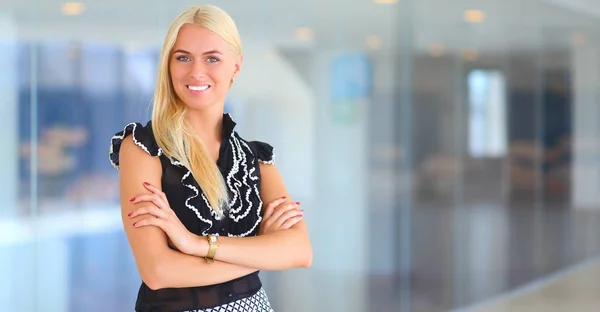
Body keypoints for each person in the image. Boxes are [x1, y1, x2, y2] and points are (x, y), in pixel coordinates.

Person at [108, 5, 312, 312]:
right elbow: (158, 272)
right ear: (168, 63)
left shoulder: (256, 158)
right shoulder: (142, 147)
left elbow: (300, 251)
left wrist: (197, 245)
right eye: (183, 57)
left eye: (212, 58)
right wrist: (260, 252)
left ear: (236, 66)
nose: (196, 72)